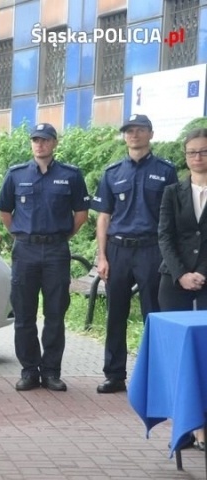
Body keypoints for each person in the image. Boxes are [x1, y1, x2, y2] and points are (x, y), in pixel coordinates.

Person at [0, 123, 89, 393]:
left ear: (54, 143)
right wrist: (22, 235)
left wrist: (59, 238)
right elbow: (5, 212)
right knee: (24, 315)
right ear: (31, 144)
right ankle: (28, 371)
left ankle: (51, 372)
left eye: (45, 140)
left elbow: (81, 215)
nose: (40, 144)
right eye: (35, 140)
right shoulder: (15, 175)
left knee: (55, 314)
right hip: (25, 251)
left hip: (57, 251)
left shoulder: (71, 175)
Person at [91, 114, 178, 394]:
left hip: (152, 250)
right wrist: (102, 256)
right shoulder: (112, 172)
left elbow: (172, 219)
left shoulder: (166, 171)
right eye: (129, 131)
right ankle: (114, 375)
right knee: (115, 315)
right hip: (118, 250)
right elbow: (103, 217)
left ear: (150, 134)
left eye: (140, 130)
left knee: (153, 314)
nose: (134, 135)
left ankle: (157, 377)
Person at [158, 128, 207, 449]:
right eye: (192, 152)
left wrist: (201, 273)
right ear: (185, 156)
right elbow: (165, 236)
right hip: (174, 282)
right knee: (177, 354)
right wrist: (182, 274)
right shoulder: (171, 193)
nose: (198, 157)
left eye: (203, 151)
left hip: (205, 281)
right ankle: (186, 427)